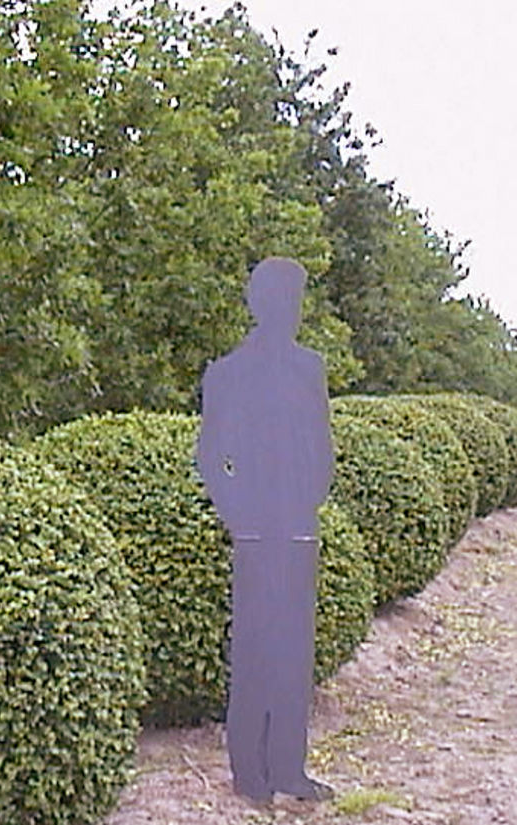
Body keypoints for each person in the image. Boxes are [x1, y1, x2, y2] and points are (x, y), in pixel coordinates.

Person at [197, 257, 334, 801]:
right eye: (283, 300)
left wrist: (310, 497)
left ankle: (289, 770)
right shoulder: (228, 372)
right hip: (254, 528)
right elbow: (211, 455)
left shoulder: (310, 369)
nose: (291, 312)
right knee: (254, 650)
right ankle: (249, 776)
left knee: (294, 652)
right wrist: (238, 513)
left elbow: (322, 446)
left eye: (296, 301)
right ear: (260, 304)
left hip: (298, 525)